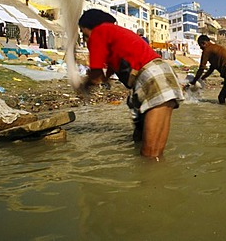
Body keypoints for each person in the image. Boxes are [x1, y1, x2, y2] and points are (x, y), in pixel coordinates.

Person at [77, 9, 184, 158]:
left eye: (84, 34)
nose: (85, 39)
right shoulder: (115, 33)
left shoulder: (98, 33)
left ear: (91, 27)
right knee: (155, 152)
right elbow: (111, 68)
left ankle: (150, 178)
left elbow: (96, 76)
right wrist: (105, 78)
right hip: (162, 74)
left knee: (149, 155)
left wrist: (83, 87)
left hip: (151, 78)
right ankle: (160, 177)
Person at [190, 35, 226, 105]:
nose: (200, 48)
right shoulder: (216, 48)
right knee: (221, 98)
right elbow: (211, 68)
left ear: (203, 43)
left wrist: (194, 81)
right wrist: (202, 78)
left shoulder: (207, 49)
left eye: (200, 46)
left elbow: (202, 67)